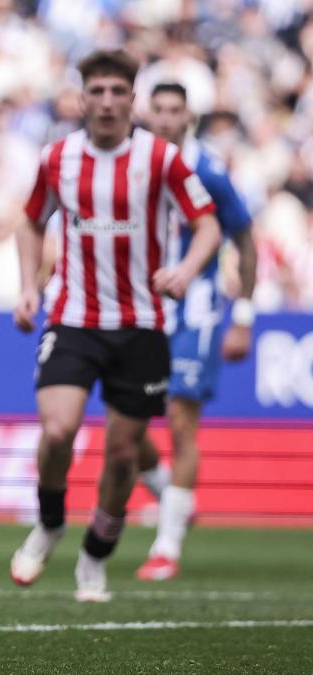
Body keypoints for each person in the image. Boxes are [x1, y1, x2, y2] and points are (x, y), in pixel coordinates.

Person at [10, 49, 222, 602]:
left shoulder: (161, 159)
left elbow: (208, 227)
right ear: (83, 99)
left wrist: (186, 268)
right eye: (96, 91)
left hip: (143, 325)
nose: (106, 102)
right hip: (74, 318)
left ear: (133, 100)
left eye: (116, 92)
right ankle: (51, 521)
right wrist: (29, 286)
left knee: (124, 454)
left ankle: (94, 556)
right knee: (57, 430)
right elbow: (30, 222)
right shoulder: (57, 158)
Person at [133, 82, 256, 581]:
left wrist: (243, 316)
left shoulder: (209, 170)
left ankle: (166, 546)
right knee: (130, 427)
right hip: (139, 306)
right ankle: (172, 498)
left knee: (181, 420)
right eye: (157, 109)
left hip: (197, 308)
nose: (165, 118)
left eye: (174, 110)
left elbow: (245, 239)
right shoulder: (131, 162)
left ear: (189, 117)